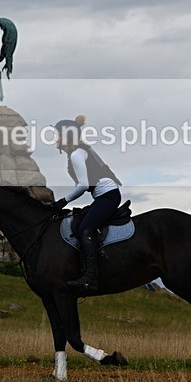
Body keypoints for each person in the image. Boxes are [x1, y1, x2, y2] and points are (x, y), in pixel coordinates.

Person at [51, 115, 122, 292]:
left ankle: (90, 278)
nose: (56, 139)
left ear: (66, 136)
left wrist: (62, 202)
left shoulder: (77, 154)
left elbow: (83, 185)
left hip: (108, 196)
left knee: (85, 229)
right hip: (104, 196)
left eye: (58, 135)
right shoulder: (78, 152)